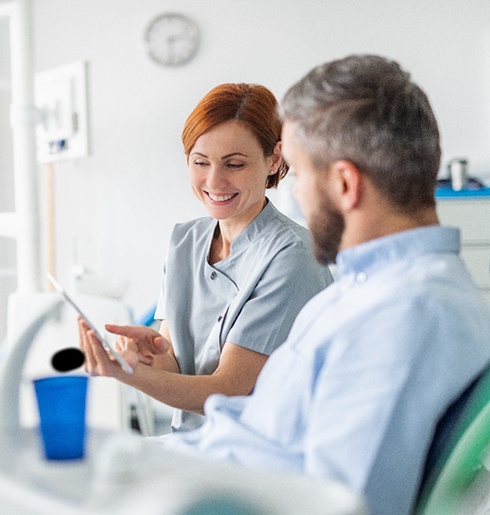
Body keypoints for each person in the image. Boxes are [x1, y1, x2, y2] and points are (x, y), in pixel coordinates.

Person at [149, 55, 490, 515]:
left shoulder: (404, 316)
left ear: (345, 184)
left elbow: (340, 503)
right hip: (202, 466)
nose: (295, 195)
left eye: (301, 175)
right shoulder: (370, 291)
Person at [79, 83, 331, 432]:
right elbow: (176, 366)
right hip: (194, 445)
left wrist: (129, 375)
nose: (215, 181)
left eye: (235, 164)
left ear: (274, 159)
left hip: (258, 457)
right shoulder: (185, 241)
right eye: (201, 162)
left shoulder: (292, 255)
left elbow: (226, 391)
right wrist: (147, 356)